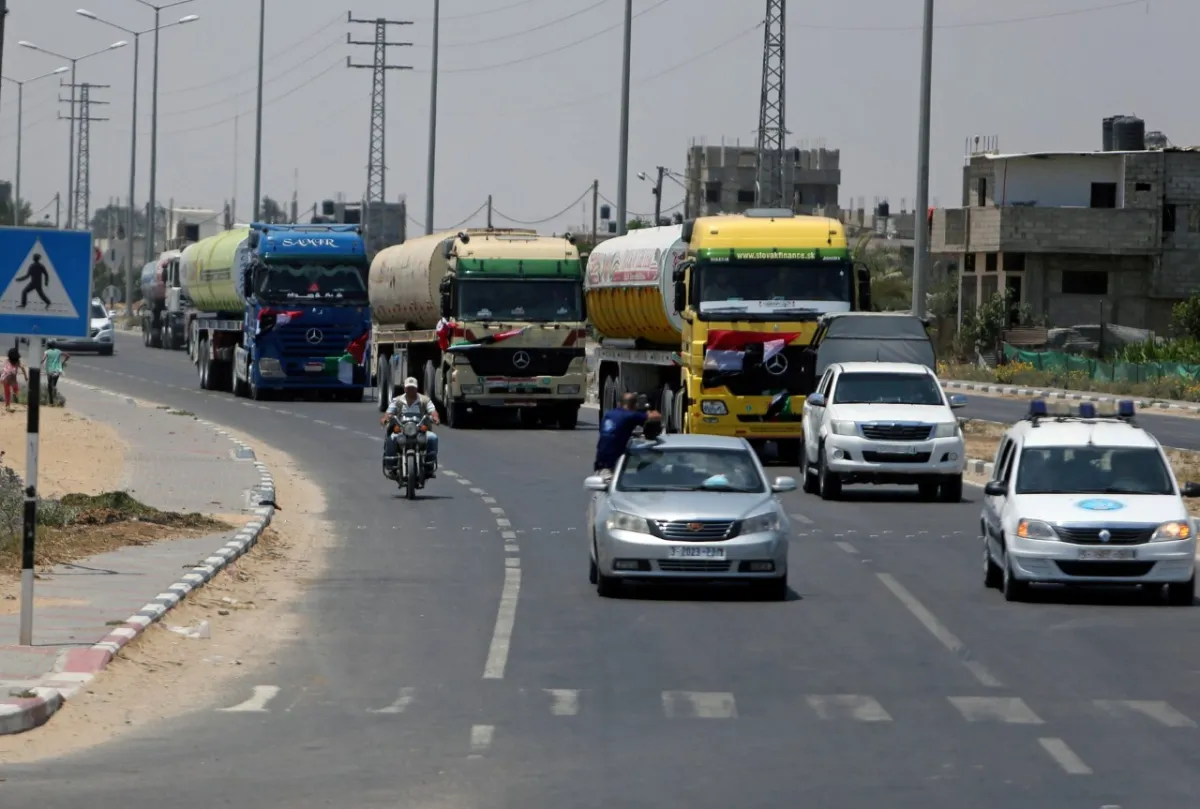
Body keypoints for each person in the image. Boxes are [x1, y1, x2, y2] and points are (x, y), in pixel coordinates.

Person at [379, 377, 440, 477]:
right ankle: (391, 466)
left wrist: (435, 417)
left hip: (419, 430)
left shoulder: (424, 400)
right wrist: (385, 418)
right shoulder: (397, 400)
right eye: (408, 388)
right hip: (401, 430)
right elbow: (389, 412)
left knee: (433, 438)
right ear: (404, 388)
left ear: (416, 388)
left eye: (412, 388)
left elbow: (432, 411)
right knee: (391, 439)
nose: (410, 390)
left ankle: (429, 466)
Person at [594, 391, 661, 474]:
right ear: (635, 405)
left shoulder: (609, 414)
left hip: (600, 461)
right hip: (612, 464)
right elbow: (657, 416)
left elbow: (617, 429)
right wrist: (646, 410)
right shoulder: (630, 415)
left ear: (619, 403)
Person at [42, 341, 69, 405]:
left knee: (49, 385)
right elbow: (67, 356)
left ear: (48, 346)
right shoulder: (58, 351)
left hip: (50, 370)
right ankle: (54, 398)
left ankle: (51, 401)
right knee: (54, 385)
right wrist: (63, 362)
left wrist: (39, 363)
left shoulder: (47, 352)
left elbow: (43, 359)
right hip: (57, 370)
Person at [2, 347, 28, 412]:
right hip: (10, 378)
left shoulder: (8, 360)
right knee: (14, 389)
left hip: (5, 378)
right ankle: (16, 394)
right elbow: (22, 368)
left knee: (7, 393)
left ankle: (8, 406)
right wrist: (25, 376)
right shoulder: (17, 362)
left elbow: (4, 369)